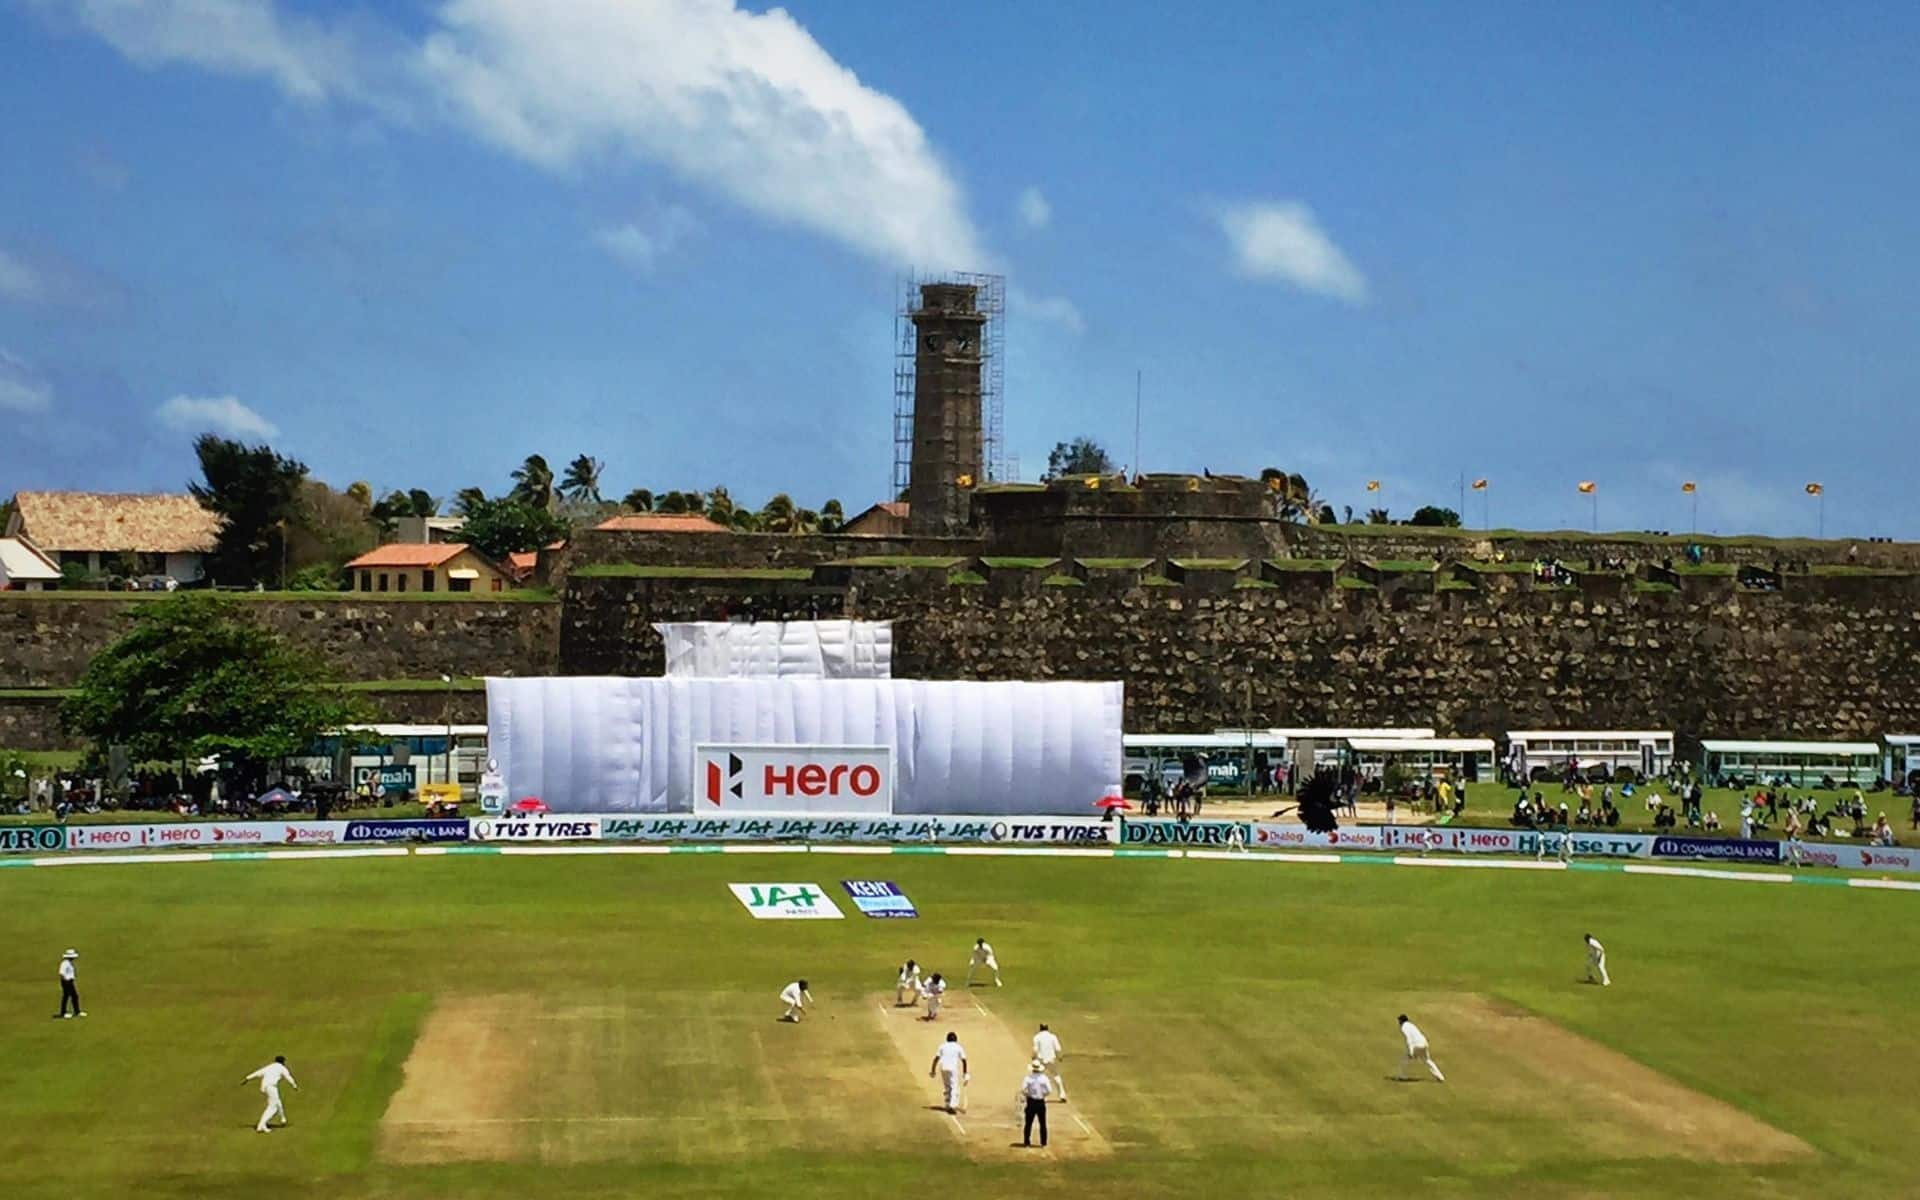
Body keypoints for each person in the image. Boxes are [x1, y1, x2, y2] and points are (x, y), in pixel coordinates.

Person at [243, 1055, 297, 1132]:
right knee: (273, 1108)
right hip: (271, 1087)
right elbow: (288, 1077)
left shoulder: (270, 1066)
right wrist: (294, 1085)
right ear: (283, 1062)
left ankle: (282, 1119)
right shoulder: (282, 1068)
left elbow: (258, 1072)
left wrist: (247, 1078)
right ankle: (261, 1125)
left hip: (266, 1087)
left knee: (277, 1102)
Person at [1394, 1014, 1445, 1082]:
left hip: (1417, 1045)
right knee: (1427, 1060)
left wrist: (1411, 1052)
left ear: (1401, 1021)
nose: (1398, 1023)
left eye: (1399, 1021)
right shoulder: (1411, 1025)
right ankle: (1440, 1077)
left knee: (1404, 1059)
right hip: (1424, 1043)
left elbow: (1409, 1039)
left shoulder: (1404, 1027)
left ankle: (1401, 1076)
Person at [928, 1032, 968, 1114]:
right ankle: (952, 1106)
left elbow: (936, 1058)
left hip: (943, 1068)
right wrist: (965, 1073)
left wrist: (933, 1070)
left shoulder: (942, 1046)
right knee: (954, 1087)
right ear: (956, 1039)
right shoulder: (958, 1047)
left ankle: (947, 1103)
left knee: (947, 1086)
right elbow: (964, 1060)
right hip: (952, 1069)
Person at [1019, 1059, 1052, 1146]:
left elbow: (1023, 1089)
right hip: (1040, 1102)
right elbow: (1049, 1090)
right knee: (1043, 1123)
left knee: (1028, 1123)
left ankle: (1026, 1141)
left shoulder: (1028, 1078)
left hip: (1031, 1102)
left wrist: (1028, 1094)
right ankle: (1043, 1142)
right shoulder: (1044, 1078)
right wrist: (1043, 1094)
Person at [1032, 1022, 1066, 1101]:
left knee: (1039, 1077)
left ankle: (1040, 1095)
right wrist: (1059, 1057)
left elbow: (1035, 1050)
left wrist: (1033, 1057)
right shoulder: (1053, 1037)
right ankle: (1062, 1095)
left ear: (1040, 1029)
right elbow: (1057, 1049)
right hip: (1051, 1059)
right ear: (1047, 1028)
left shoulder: (1037, 1037)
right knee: (1056, 1076)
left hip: (1041, 1060)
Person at [56, 949, 84, 1019]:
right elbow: (61, 973)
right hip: (66, 982)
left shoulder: (69, 963)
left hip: (70, 981)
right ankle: (63, 1012)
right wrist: (65, 981)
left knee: (74, 996)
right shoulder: (64, 963)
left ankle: (77, 1011)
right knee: (66, 996)